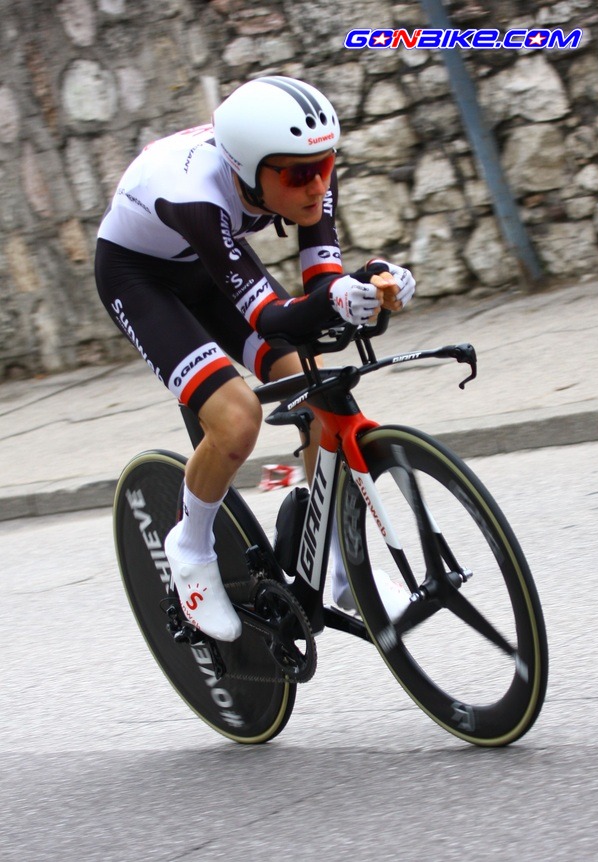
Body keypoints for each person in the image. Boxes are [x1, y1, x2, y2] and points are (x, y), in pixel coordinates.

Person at [95, 76, 415, 642]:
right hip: (138, 277)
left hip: (206, 264)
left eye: (325, 165)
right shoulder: (198, 194)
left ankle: (340, 566)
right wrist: (338, 300)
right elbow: (270, 317)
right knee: (237, 418)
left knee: (316, 389)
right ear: (248, 170)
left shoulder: (302, 168)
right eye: (298, 175)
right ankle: (190, 547)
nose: (317, 185)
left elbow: (322, 281)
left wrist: (369, 285)